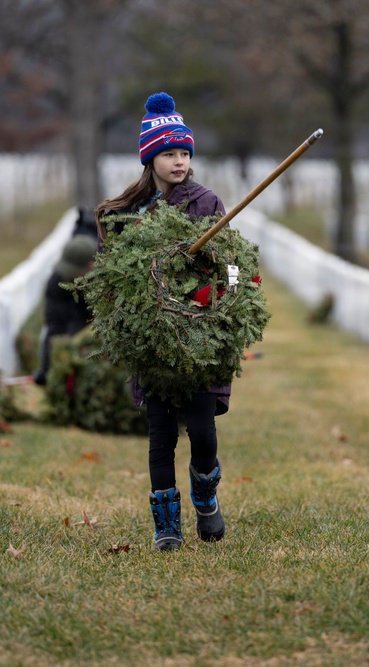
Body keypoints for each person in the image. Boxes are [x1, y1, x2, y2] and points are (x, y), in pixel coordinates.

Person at [94, 91, 229, 552]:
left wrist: (219, 292)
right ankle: (166, 525)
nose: (179, 161)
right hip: (152, 343)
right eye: (169, 153)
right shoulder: (131, 214)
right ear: (150, 159)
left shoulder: (206, 203)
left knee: (203, 433)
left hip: (200, 338)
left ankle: (205, 497)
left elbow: (231, 262)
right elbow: (112, 275)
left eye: (184, 153)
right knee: (161, 436)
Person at [32, 234, 98, 386]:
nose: (67, 275)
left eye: (73, 270)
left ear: (91, 267)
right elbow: (55, 326)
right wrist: (49, 369)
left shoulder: (107, 285)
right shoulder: (57, 281)